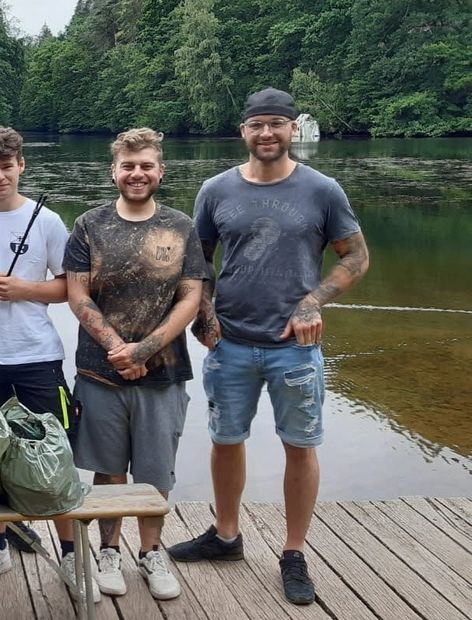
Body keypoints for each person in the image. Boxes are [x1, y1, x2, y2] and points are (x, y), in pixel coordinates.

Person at [167, 88, 370, 606]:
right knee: (225, 438)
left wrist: (314, 300)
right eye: (258, 125)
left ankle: (294, 551)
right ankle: (227, 535)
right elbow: (199, 265)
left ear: (292, 130)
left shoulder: (322, 190)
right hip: (230, 343)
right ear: (244, 132)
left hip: (294, 348)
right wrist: (204, 318)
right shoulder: (215, 190)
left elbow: (356, 258)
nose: (267, 134)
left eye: (277, 124)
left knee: (300, 445)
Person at [0, 127, 96, 601]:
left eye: (7, 167)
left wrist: (26, 290)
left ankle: (71, 556)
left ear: (21, 166)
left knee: (54, 457)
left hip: (37, 357)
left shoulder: (47, 221)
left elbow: (71, 288)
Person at [64, 128, 204, 601]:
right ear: (114, 172)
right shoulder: (88, 225)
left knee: (156, 470)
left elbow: (191, 298)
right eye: (128, 166)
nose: (137, 173)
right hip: (99, 371)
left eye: (146, 165)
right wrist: (117, 348)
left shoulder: (182, 227)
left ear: (160, 171)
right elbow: (76, 293)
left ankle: (150, 552)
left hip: (164, 371)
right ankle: (108, 551)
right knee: (107, 470)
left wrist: (144, 350)